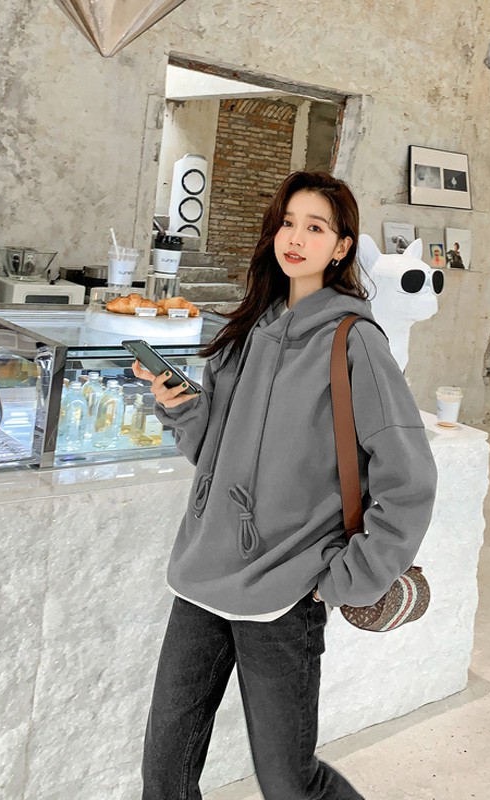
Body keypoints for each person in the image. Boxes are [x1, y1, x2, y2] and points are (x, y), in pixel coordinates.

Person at [133, 170, 438, 800]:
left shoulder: (355, 343)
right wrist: (180, 408)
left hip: (286, 594)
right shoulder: (245, 331)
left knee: (289, 785)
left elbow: (409, 480)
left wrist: (343, 580)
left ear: (342, 247)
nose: (296, 238)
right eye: (288, 223)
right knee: (164, 778)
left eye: (315, 227)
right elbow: (211, 457)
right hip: (201, 578)